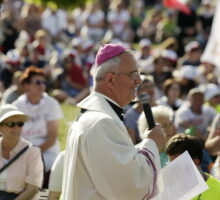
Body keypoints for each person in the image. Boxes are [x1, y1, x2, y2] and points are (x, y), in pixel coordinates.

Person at [62, 43, 166, 200]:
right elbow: (130, 187)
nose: (138, 81)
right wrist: (152, 143)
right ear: (110, 79)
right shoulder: (101, 123)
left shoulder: (93, 117)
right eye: (133, 75)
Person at [13, 66, 63, 188]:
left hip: (47, 152)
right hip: (22, 152)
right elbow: (13, 136)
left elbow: (52, 138)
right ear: (26, 86)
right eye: (38, 82)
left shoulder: (51, 104)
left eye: (44, 82)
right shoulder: (17, 106)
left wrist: (32, 154)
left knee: (38, 167)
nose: (42, 85)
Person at [165, 134, 220, 200]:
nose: (172, 171)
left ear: (195, 163)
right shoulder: (166, 190)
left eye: (176, 166)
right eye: (170, 165)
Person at [0, 104, 43, 200]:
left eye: (20, 124)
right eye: (11, 124)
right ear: (0, 127)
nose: (16, 128)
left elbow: (32, 190)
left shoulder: (33, 151)